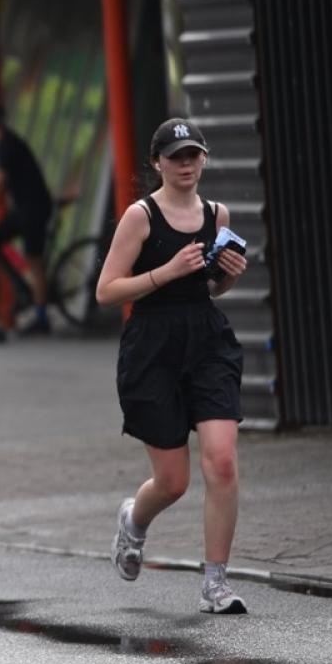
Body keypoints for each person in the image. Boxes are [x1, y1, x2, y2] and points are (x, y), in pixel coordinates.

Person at [95, 118, 249, 614]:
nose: (186, 164)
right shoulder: (140, 217)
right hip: (152, 346)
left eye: (194, 155)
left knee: (222, 459)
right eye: (176, 156)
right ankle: (133, 522)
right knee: (174, 482)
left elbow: (207, 289)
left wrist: (225, 279)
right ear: (157, 163)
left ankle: (216, 586)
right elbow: (106, 290)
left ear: (204, 159)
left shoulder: (217, 214)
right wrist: (165, 271)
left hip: (206, 339)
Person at [0, 101, 54, 336]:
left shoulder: (7, 144)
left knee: (34, 261)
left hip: (34, 208)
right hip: (22, 209)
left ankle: (42, 316)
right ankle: (22, 288)